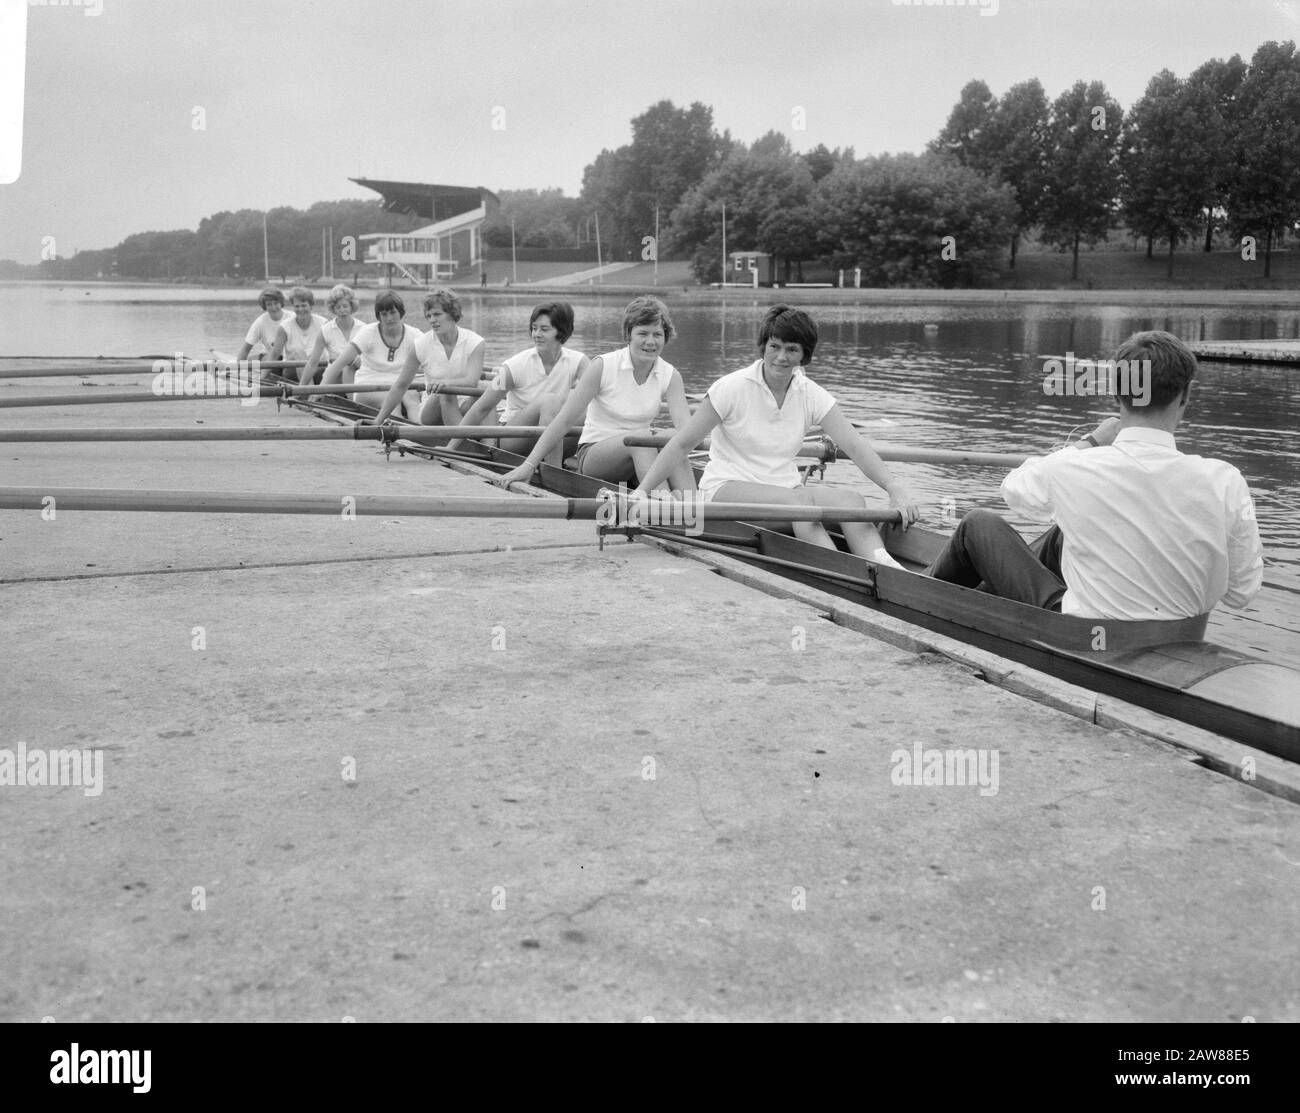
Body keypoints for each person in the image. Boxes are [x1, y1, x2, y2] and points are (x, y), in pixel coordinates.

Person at [925, 330, 1263, 620]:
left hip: (1086, 635)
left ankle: (916, 593)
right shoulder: (1227, 479)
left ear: (1117, 395)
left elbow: (1014, 489)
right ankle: (983, 594)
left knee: (977, 523)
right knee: (1061, 534)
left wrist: (1092, 441)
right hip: (1181, 631)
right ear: (1185, 395)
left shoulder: (1073, 468)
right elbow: (1240, 593)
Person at [632, 305, 919, 565]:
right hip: (726, 489)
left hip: (786, 491)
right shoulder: (731, 388)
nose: (781, 357)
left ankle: (885, 569)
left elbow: (855, 446)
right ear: (763, 346)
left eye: (791, 350)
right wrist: (642, 493)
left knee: (852, 500)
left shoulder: (811, 394)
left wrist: (894, 488)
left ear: (804, 355)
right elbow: (682, 444)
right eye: (774, 346)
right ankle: (849, 575)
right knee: (801, 506)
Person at [498, 295, 695, 491]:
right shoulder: (602, 366)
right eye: (642, 333)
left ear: (665, 336)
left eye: (657, 334)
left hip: (639, 452)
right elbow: (563, 421)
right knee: (642, 439)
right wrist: (528, 465)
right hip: (594, 455)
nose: (650, 341)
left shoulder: (671, 375)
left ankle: (695, 508)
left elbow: (687, 433)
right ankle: (666, 507)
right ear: (628, 335)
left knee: (673, 438)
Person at [448, 301, 589, 457]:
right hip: (513, 437)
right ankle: (551, 471)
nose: (536, 334)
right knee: (549, 401)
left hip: (551, 430)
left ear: (561, 331)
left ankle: (582, 460)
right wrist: (451, 447)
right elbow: (481, 408)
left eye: (544, 329)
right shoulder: (513, 366)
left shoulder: (579, 361)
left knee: (590, 406)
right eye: (534, 328)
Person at [373, 289, 485, 426]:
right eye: (429, 316)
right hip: (432, 411)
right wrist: (378, 420)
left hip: (464, 405)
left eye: (437, 314)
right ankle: (460, 441)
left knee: (487, 389)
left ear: (452, 314)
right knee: (445, 392)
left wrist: (446, 382)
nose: (432, 320)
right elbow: (400, 386)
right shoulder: (421, 345)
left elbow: (472, 381)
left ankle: (490, 443)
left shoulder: (475, 342)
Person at [320, 290, 423, 420]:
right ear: (378, 316)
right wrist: (319, 391)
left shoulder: (415, 335)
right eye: (384, 314)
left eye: (393, 312)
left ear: (401, 312)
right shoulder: (368, 332)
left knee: (412, 399)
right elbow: (339, 364)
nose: (389, 318)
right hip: (369, 385)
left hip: (401, 385)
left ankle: (420, 433)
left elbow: (432, 363)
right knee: (392, 401)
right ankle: (397, 433)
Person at [299, 284, 363, 386]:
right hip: (334, 377)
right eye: (338, 307)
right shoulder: (326, 329)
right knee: (343, 368)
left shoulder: (363, 328)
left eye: (345, 306)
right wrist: (300, 388)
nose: (342, 310)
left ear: (351, 307)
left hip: (358, 375)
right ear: (333, 309)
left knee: (348, 368)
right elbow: (313, 363)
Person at [269, 286, 327, 372]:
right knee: (298, 357)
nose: (300, 309)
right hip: (292, 370)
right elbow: (274, 356)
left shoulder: (323, 324)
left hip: (318, 367)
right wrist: (262, 378)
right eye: (297, 306)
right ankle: (307, 384)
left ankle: (306, 383)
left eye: (304, 306)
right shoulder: (284, 327)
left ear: (311, 306)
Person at [236, 287, 288, 361]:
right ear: (265, 306)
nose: (273, 308)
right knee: (273, 354)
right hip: (268, 357)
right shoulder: (260, 322)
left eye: (276, 303)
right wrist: (239, 368)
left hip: (289, 358)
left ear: (281, 302)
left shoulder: (292, 317)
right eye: (269, 304)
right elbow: (246, 349)